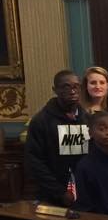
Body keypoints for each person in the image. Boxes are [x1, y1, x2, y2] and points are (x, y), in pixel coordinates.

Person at [25, 70, 90, 205]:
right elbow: (34, 161)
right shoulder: (41, 121)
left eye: (76, 86)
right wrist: (59, 192)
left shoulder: (88, 119)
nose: (72, 91)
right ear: (55, 90)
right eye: (66, 87)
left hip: (85, 192)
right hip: (52, 195)